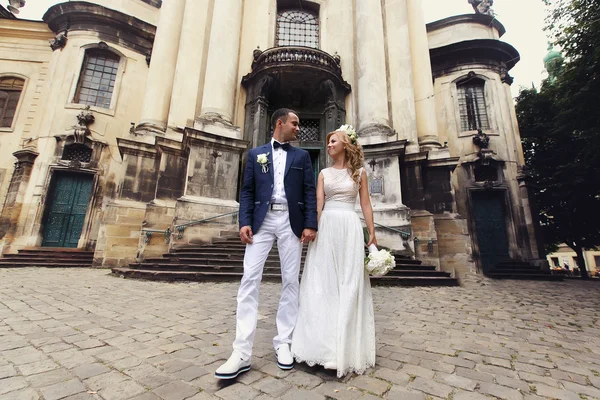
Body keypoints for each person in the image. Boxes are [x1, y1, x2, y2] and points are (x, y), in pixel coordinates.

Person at [215, 108, 318, 379]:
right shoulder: (255, 154)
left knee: (290, 281)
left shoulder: (303, 156)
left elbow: (309, 191)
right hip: (261, 221)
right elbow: (247, 190)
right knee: (249, 279)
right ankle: (241, 353)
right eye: (295, 123)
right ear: (280, 123)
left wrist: (310, 223)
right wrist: (243, 221)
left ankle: (284, 342)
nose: (299, 128)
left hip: (291, 222)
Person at [291, 125, 377, 378]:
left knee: (348, 284)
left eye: (333, 141)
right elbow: (318, 204)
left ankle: (343, 349)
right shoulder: (323, 173)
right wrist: (309, 228)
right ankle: (321, 347)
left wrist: (372, 233)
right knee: (322, 283)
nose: (328, 145)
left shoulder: (359, 173)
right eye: (327, 142)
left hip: (349, 227)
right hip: (327, 227)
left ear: (346, 145)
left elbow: (366, 204)